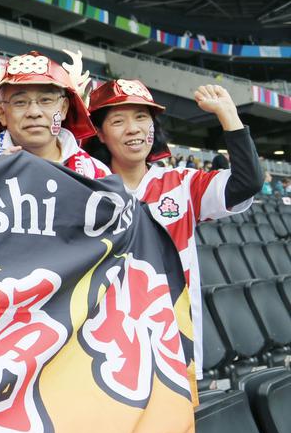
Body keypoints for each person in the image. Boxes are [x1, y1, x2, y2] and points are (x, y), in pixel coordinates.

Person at [83, 78, 263, 378]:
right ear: (99, 134)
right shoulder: (85, 187)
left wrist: (229, 116)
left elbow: (246, 183)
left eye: (142, 117)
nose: (134, 128)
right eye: (118, 120)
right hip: (104, 345)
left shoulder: (183, 183)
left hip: (174, 341)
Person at [0, 51, 109, 178]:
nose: (34, 113)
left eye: (46, 100)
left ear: (64, 108)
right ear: (2, 114)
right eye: (20, 102)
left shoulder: (97, 173)